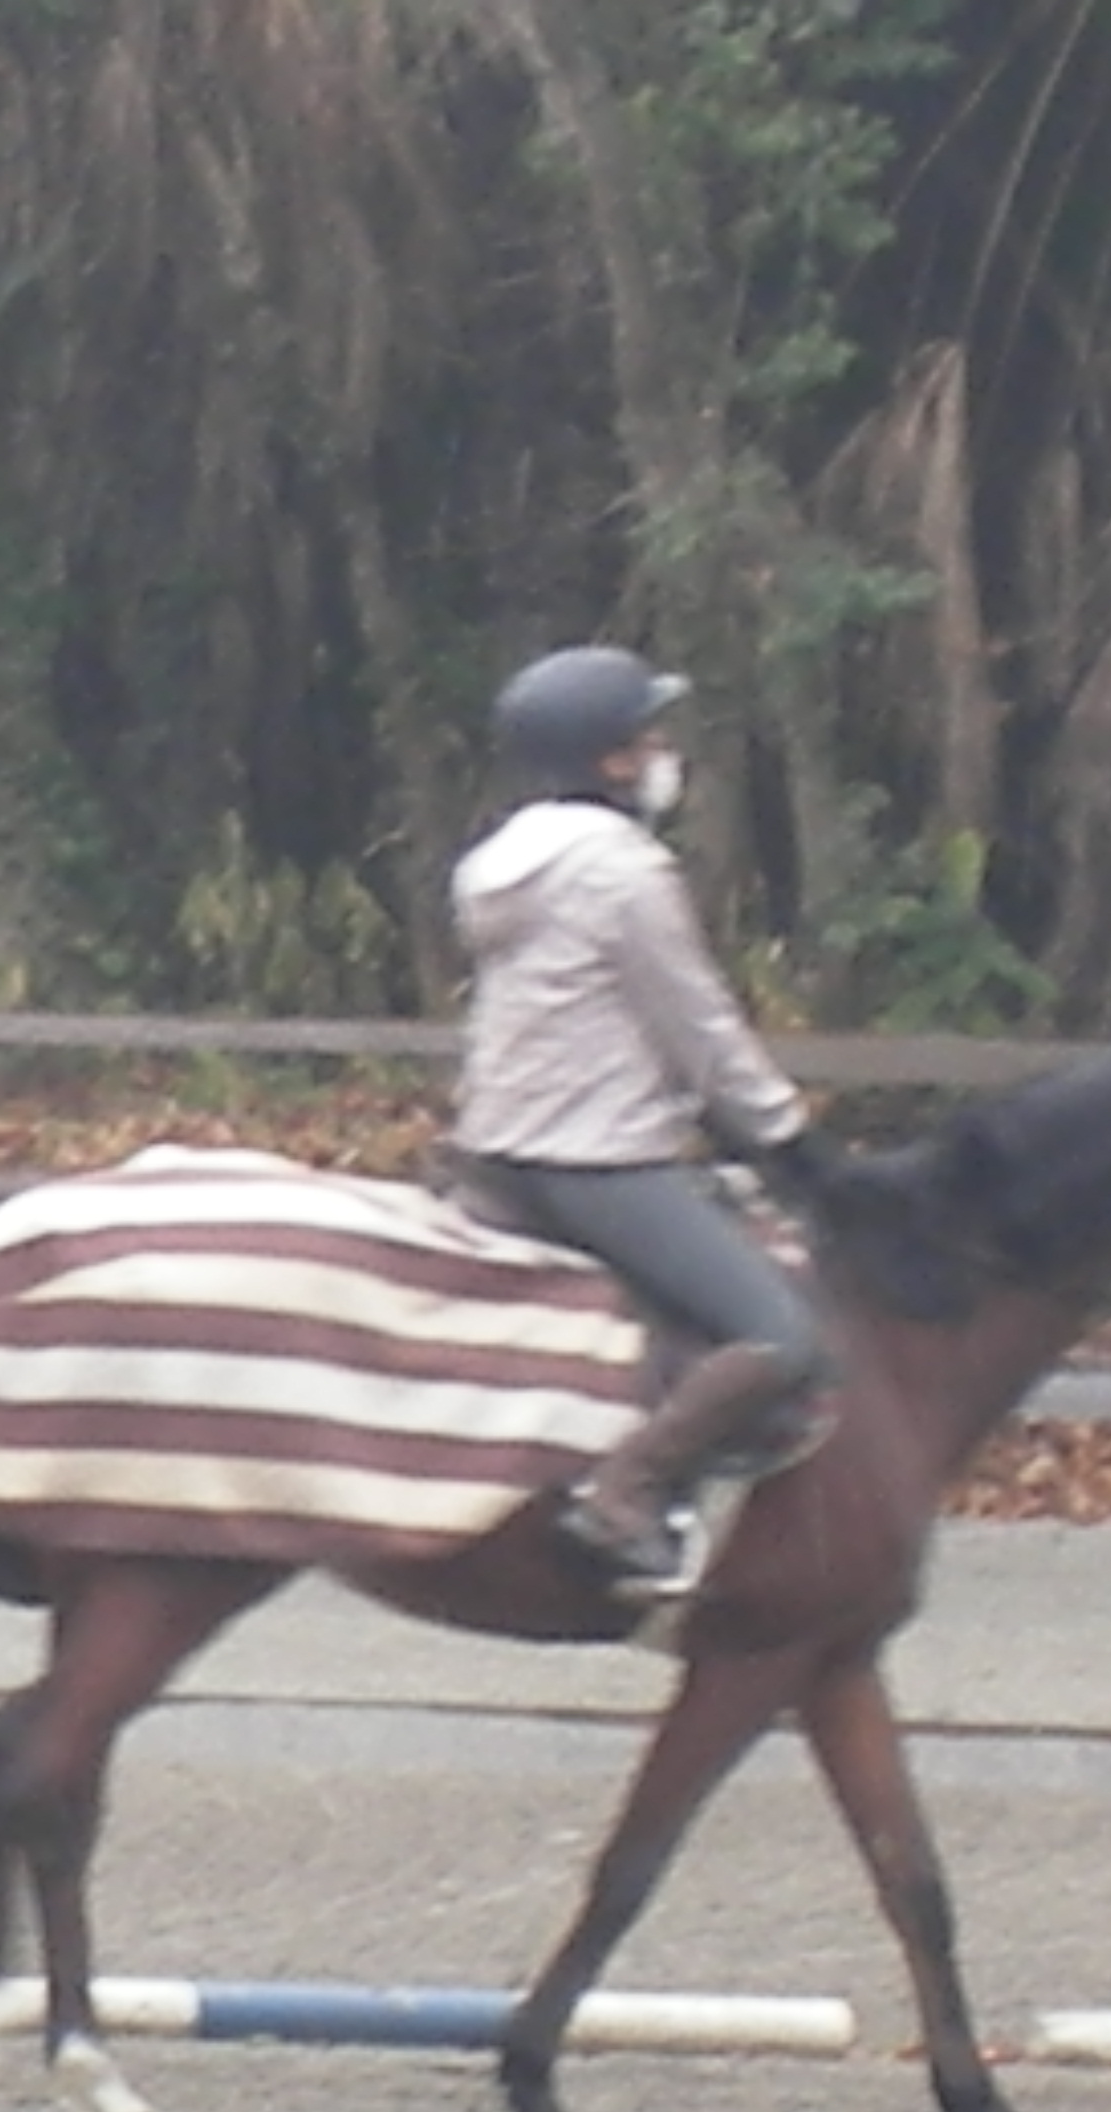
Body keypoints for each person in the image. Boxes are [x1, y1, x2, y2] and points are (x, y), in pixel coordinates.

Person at [449, 643, 842, 1595]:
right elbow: (696, 1022)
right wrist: (787, 1139)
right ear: (611, 760)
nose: (665, 752)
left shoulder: (504, 861)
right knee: (780, 1336)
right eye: (648, 737)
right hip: (594, 1160)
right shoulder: (621, 872)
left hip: (497, 1145)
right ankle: (626, 1492)